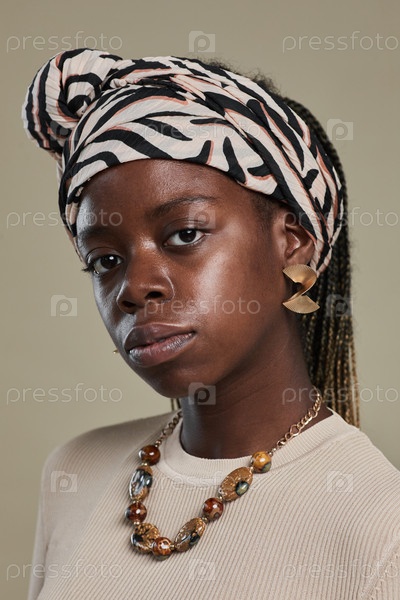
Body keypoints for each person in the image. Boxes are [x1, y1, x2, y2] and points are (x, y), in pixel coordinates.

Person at [22, 48, 400, 599]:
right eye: (105, 260)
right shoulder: (74, 471)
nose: (134, 287)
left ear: (292, 244)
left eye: (185, 234)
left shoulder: (381, 528)